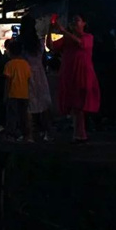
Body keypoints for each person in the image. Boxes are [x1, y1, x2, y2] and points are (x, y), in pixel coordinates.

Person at [47, 14, 100, 143]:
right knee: (74, 104)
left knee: (79, 103)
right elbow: (51, 46)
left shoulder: (88, 37)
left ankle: (80, 133)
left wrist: (63, 31)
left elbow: (81, 43)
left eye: (77, 20)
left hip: (82, 73)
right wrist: (50, 30)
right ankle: (79, 134)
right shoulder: (67, 38)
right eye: (73, 21)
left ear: (84, 23)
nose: (74, 23)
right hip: (70, 72)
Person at [18, 15, 53, 142]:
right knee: (43, 103)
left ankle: (29, 135)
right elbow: (44, 58)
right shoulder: (38, 42)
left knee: (28, 105)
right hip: (40, 73)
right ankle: (48, 133)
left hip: (25, 74)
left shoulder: (20, 42)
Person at [3, 41, 32, 141]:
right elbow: (28, 79)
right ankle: (25, 134)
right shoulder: (26, 64)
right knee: (23, 115)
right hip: (24, 94)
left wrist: (5, 94)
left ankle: (11, 134)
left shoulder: (9, 64)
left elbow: (8, 81)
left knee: (12, 115)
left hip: (13, 94)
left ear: (10, 52)